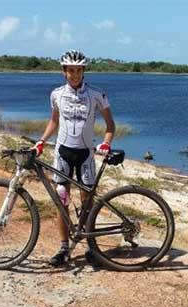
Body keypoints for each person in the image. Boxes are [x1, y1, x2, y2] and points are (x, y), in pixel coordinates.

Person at [33, 50, 116, 266]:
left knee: (86, 201)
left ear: (84, 71)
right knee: (62, 201)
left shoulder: (97, 95)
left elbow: (110, 126)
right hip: (63, 153)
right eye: (71, 70)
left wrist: (106, 143)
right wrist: (41, 141)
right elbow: (53, 122)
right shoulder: (56, 95)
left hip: (86, 154)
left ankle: (90, 246)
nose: (75, 75)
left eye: (79, 70)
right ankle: (63, 248)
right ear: (64, 72)